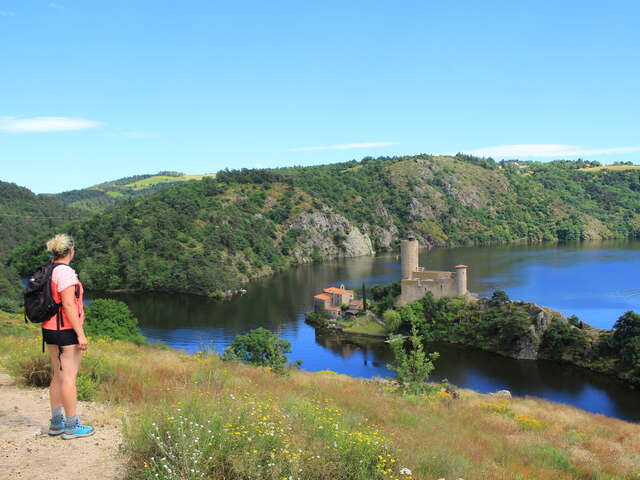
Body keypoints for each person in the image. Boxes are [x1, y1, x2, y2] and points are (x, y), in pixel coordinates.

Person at [41, 233, 95, 440]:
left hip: (50, 328)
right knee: (69, 378)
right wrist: (80, 334)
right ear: (70, 251)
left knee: (58, 376)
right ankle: (72, 426)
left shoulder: (49, 270)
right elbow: (69, 304)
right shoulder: (66, 273)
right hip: (66, 331)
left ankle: (56, 424)